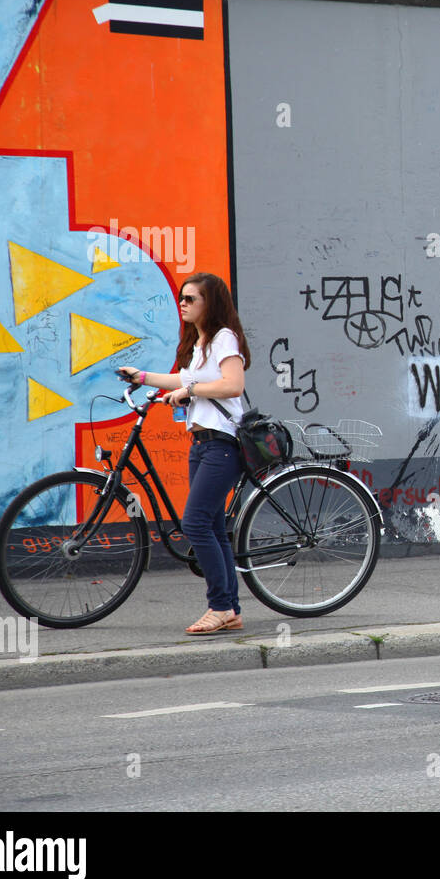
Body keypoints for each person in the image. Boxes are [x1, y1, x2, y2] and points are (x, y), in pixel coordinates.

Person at [120, 272, 252, 634]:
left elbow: (232, 384)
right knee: (211, 526)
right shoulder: (201, 342)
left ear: (211, 303)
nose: (183, 304)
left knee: (194, 523)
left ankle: (220, 606)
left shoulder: (224, 338)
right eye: (181, 298)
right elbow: (184, 379)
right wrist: (142, 377)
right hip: (202, 443)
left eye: (191, 299)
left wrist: (191, 391)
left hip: (223, 444)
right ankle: (231, 610)